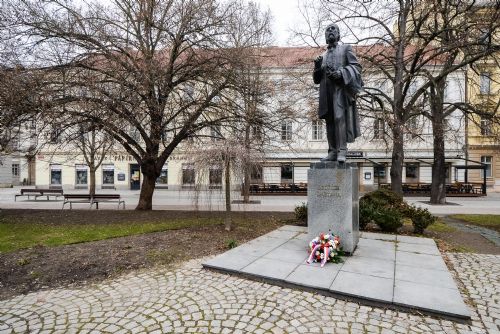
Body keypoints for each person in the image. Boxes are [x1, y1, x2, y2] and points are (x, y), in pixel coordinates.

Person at [313, 23, 363, 162]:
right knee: (329, 121)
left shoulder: (346, 49)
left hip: (339, 90)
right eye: (327, 30)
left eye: (333, 29)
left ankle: (342, 151)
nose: (330, 31)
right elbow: (317, 80)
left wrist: (341, 73)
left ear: (338, 35)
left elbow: (356, 67)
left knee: (339, 118)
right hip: (326, 91)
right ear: (325, 36)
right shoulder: (322, 55)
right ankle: (333, 151)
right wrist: (317, 67)